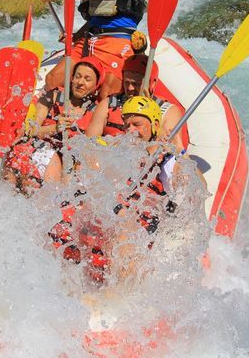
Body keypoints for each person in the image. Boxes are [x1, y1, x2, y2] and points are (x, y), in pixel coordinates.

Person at [49, 96, 197, 283]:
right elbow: (90, 174)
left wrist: (179, 150)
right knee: (67, 218)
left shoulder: (167, 159)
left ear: (154, 125)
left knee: (122, 224)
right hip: (109, 216)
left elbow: (194, 183)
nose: (130, 130)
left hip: (140, 226)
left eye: (137, 124)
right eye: (127, 125)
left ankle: (115, 297)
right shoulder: (117, 148)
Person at [4, 56, 105, 191]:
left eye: (87, 79)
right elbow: (31, 130)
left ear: (96, 85)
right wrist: (55, 127)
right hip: (40, 152)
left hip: (66, 166)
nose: (80, 82)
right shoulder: (53, 96)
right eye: (78, 76)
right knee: (19, 155)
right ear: (72, 78)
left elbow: (90, 149)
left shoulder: (97, 111)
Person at [86, 54, 186, 151]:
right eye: (126, 82)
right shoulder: (108, 104)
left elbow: (167, 148)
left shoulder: (169, 111)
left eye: (136, 84)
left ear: (152, 84)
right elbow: (89, 143)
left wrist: (149, 111)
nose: (130, 88)